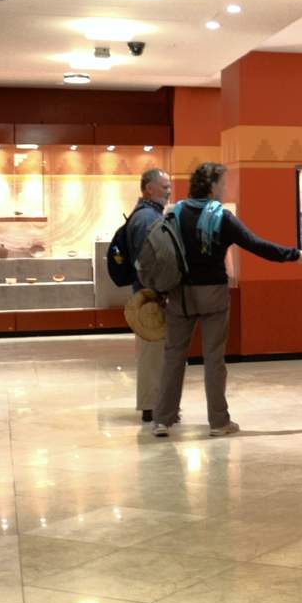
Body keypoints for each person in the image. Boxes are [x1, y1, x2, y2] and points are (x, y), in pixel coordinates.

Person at [152, 162, 302, 437]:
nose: (225, 189)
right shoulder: (221, 217)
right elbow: (256, 245)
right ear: (213, 186)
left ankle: (162, 420)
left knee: (173, 356)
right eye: (223, 183)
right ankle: (218, 422)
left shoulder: (174, 213)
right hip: (213, 294)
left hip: (180, 295)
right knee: (214, 359)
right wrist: (293, 255)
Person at [127, 167, 172, 423]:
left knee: (155, 353)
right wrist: (160, 289)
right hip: (150, 297)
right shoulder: (146, 218)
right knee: (152, 354)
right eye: (164, 186)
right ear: (148, 189)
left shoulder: (148, 214)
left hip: (149, 295)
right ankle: (152, 406)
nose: (169, 190)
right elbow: (150, 259)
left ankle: (156, 404)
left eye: (169, 185)